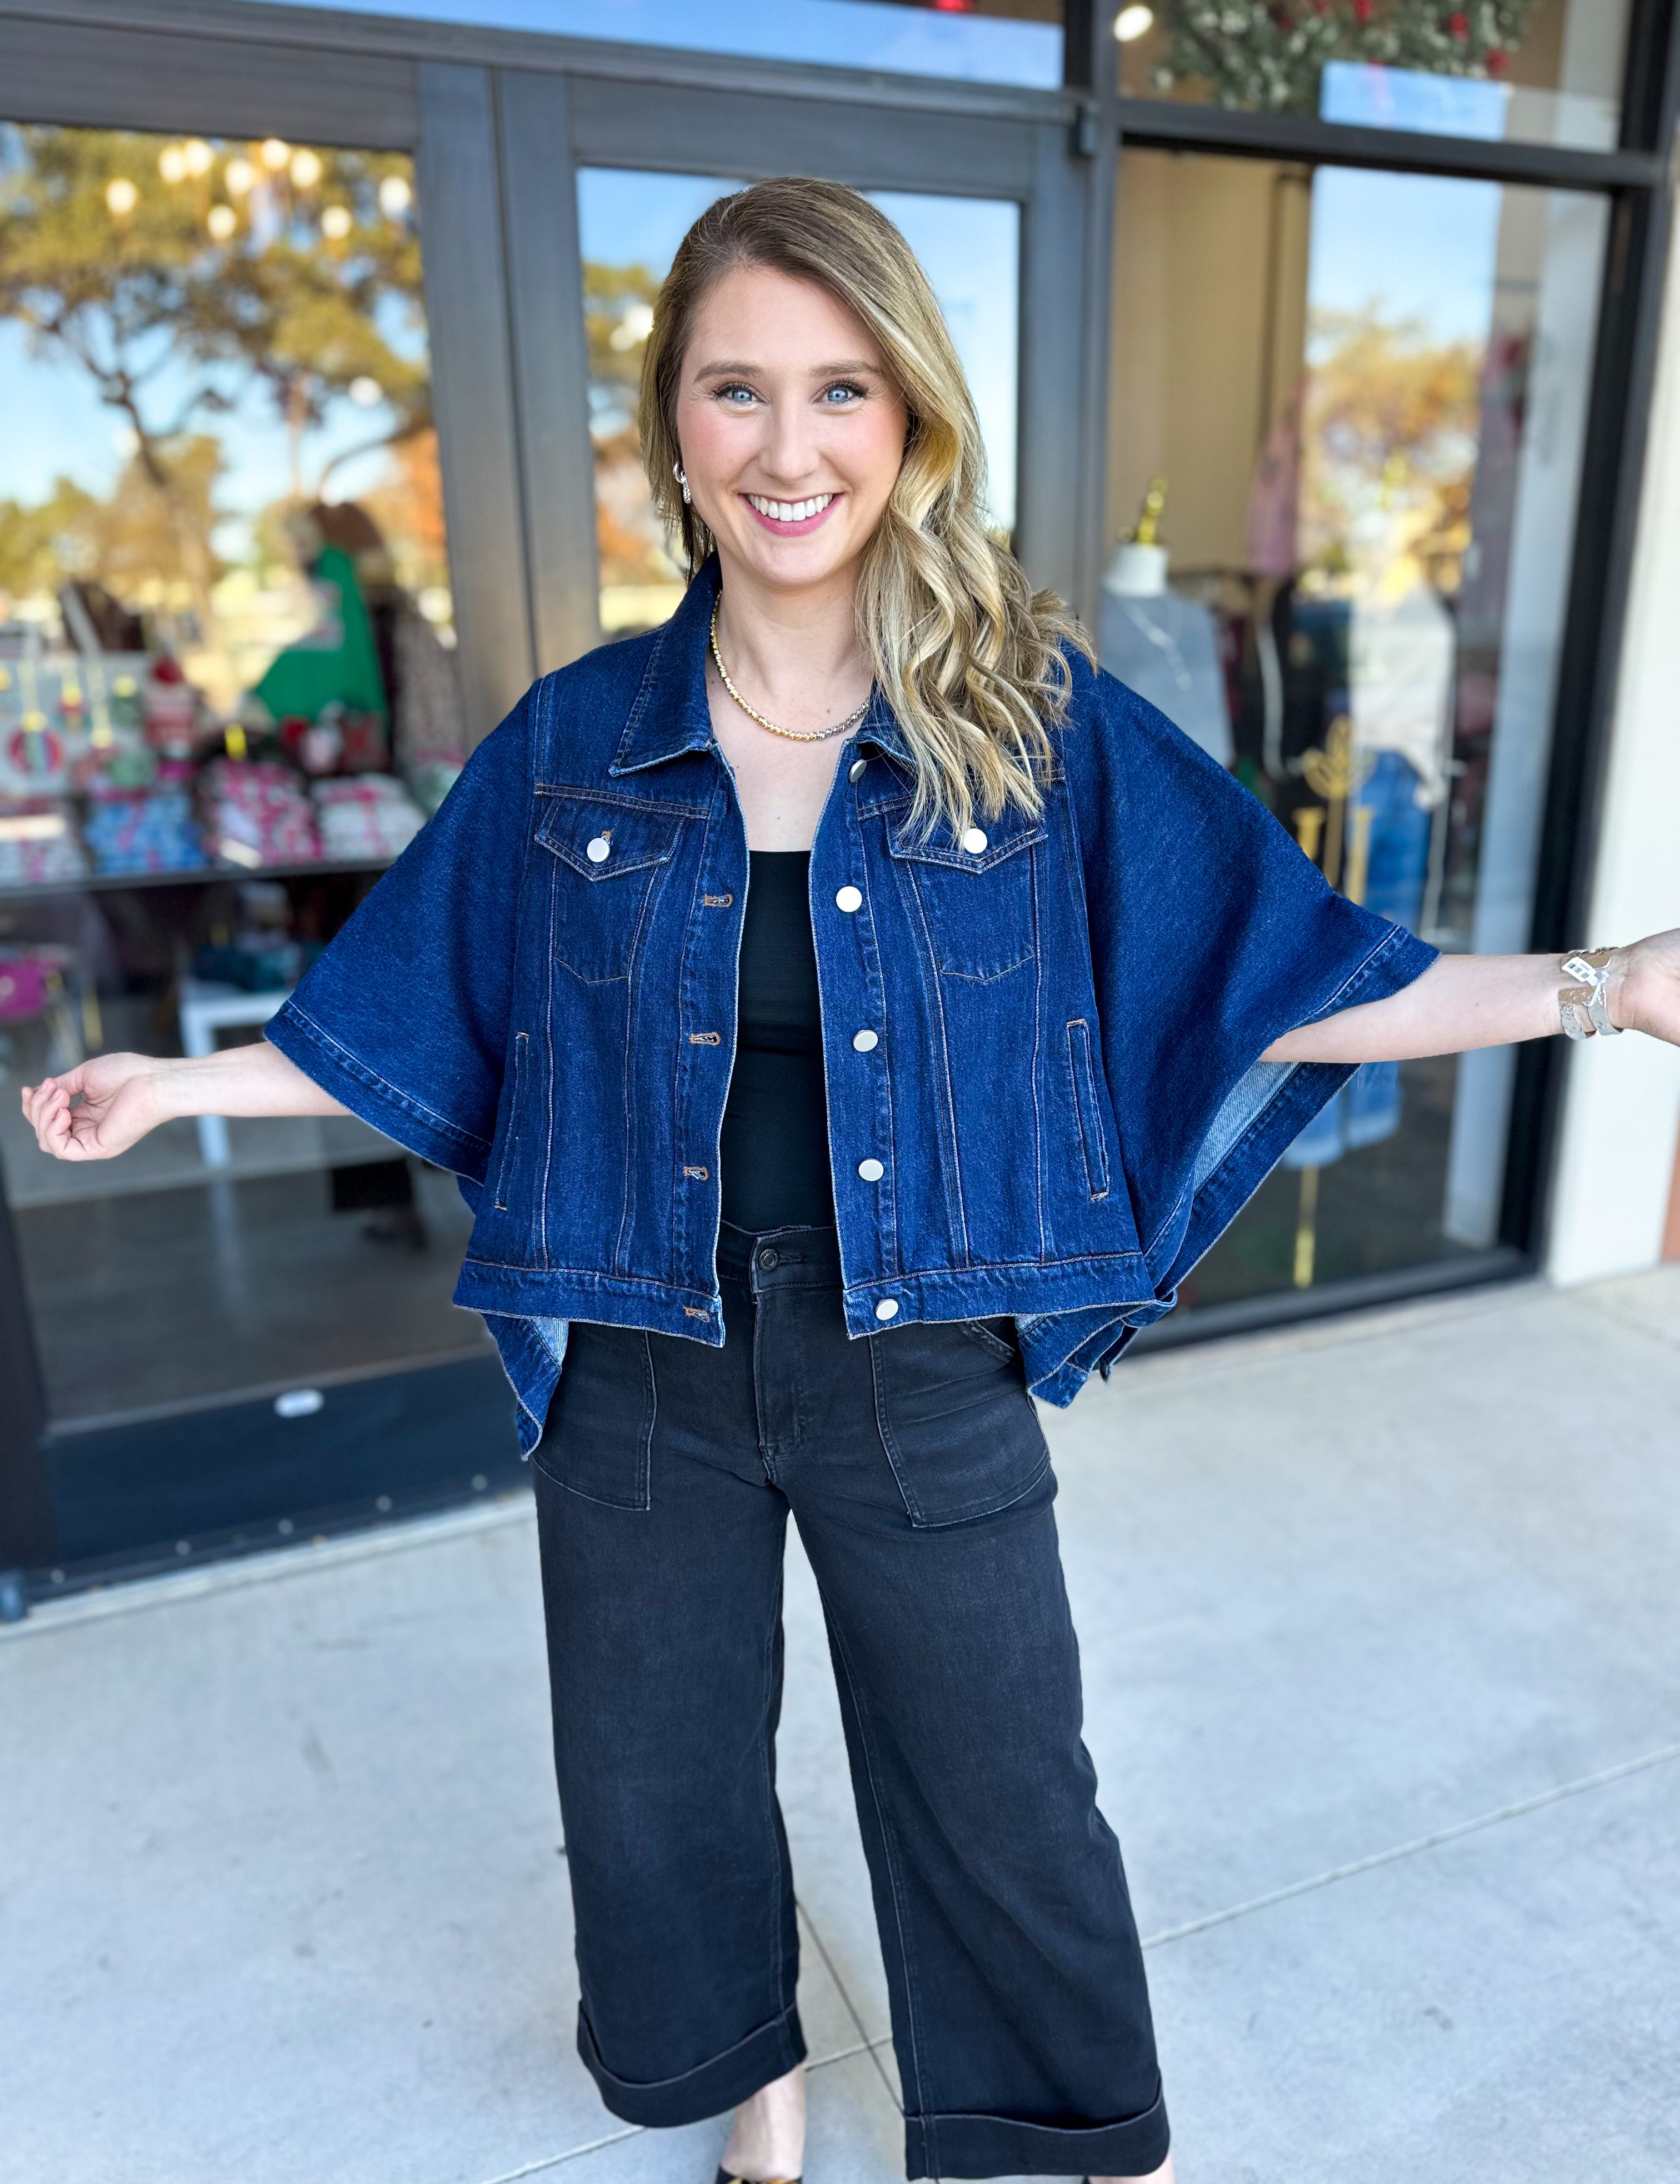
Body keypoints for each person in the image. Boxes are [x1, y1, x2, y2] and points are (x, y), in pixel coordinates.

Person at [22, 179, 1680, 2184]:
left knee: (1005, 1787)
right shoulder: (578, 744)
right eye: (738, 390)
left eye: (840, 388)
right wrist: (180, 1083)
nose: (788, 446)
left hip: (921, 1354)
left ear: (909, 423)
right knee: (655, 1787)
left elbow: (1289, 984)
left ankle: (1074, 2137)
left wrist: (1612, 988)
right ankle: (758, 2077)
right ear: (677, 430)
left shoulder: (1033, 730)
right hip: (644, 1354)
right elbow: (428, 1006)